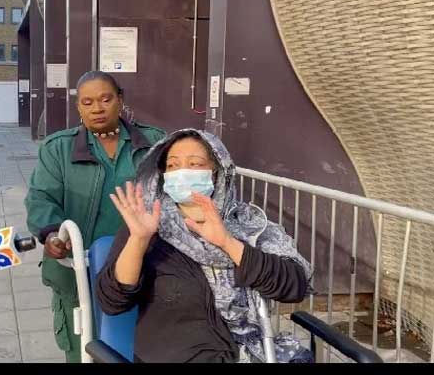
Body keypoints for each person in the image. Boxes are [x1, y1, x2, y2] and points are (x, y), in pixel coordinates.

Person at [95, 128, 313, 363]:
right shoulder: (148, 226)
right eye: (172, 165)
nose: (181, 173)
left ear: (217, 172)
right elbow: (112, 301)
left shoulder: (247, 225)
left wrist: (227, 243)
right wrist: (138, 240)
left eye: (194, 164)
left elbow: (293, 287)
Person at [24, 71, 166, 362]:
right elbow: (41, 198)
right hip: (76, 271)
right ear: (79, 107)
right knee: (83, 350)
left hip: (142, 271)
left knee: (137, 348)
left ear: (120, 99)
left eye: (105, 99)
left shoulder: (154, 144)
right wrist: (52, 235)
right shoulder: (58, 149)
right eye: (87, 102)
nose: (97, 108)